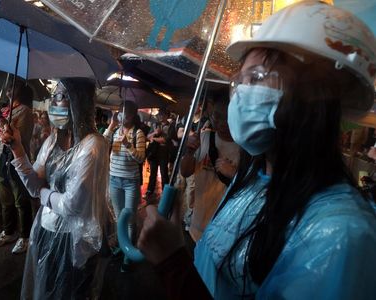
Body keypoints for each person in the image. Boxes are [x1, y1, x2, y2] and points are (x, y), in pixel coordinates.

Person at [138, 2, 376, 299]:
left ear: (314, 94)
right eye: (241, 81)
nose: (241, 95)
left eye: (258, 79)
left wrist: (172, 263)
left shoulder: (341, 235)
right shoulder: (252, 180)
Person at [0, 78, 110, 299]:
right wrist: (18, 149)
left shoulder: (93, 146)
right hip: (46, 230)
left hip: (73, 241)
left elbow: (73, 204)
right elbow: (33, 187)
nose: (53, 102)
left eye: (60, 96)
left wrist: (43, 194)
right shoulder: (52, 142)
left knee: (67, 293)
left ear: (78, 102)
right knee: (45, 290)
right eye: (53, 96)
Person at [180, 96, 240, 242]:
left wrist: (235, 174)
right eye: (217, 116)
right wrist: (188, 151)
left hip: (222, 230)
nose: (221, 123)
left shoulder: (244, 148)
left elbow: (252, 189)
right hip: (197, 224)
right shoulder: (204, 137)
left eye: (227, 118)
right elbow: (186, 171)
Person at [0, 82, 34, 254]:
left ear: (21, 91)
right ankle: (9, 232)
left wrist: (0, 119)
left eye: (13, 87)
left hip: (15, 160)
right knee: (5, 199)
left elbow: (17, 137)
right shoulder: (5, 110)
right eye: (8, 87)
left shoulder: (25, 111)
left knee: (20, 200)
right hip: (1, 159)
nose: (8, 89)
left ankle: (25, 236)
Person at [103, 100, 146, 271]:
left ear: (133, 115)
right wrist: (112, 125)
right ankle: (121, 246)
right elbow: (103, 143)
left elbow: (141, 158)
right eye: (121, 111)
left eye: (126, 112)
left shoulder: (138, 133)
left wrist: (128, 145)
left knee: (129, 220)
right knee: (118, 217)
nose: (123, 115)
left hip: (130, 181)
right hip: (114, 179)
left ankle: (129, 254)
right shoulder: (115, 131)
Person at [144, 109, 171, 201]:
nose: (160, 116)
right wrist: (155, 133)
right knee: (153, 173)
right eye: (160, 114)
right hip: (154, 152)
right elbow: (147, 137)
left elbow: (166, 140)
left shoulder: (170, 126)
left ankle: (165, 193)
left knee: (164, 173)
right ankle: (149, 191)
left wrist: (154, 139)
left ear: (167, 116)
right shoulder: (155, 125)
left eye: (163, 114)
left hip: (164, 153)